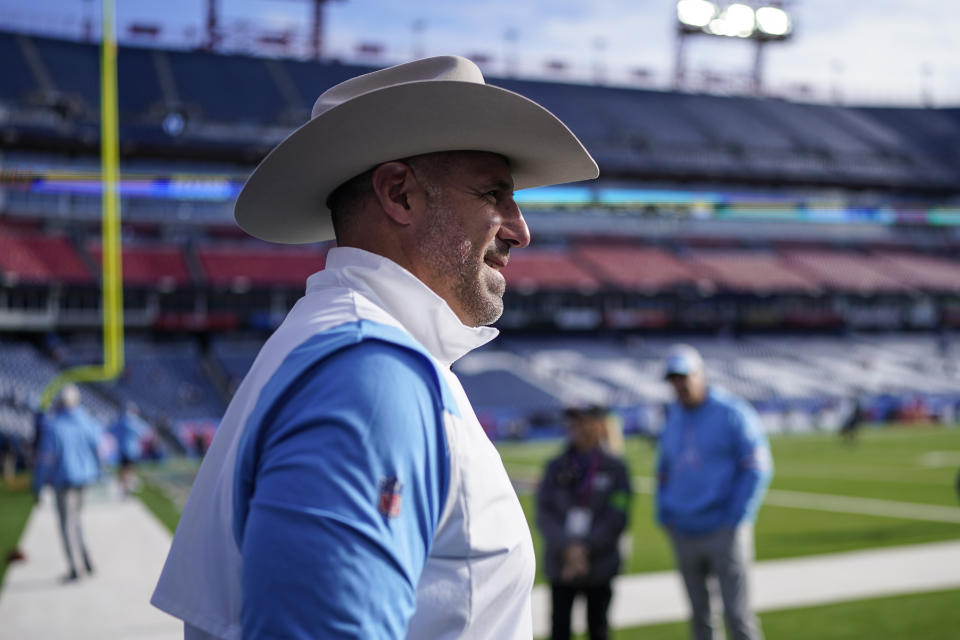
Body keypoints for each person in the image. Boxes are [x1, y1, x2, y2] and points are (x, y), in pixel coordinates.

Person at [152, 55, 598, 639]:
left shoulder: (347, 347)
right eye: (494, 194)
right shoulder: (370, 374)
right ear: (400, 194)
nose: (520, 228)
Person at [656, 345, 773, 640]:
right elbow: (664, 471)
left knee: (738, 616)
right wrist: (664, 512)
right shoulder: (674, 417)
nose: (679, 385)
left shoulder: (732, 412)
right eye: (674, 379)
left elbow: (758, 466)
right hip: (683, 530)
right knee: (700, 619)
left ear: (701, 374)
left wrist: (737, 516)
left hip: (723, 529)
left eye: (685, 376)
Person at [537, 405, 632, 640]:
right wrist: (568, 548)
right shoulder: (555, 466)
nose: (575, 427)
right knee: (559, 628)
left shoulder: (616, 468)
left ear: (599, 425)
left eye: (582, 421)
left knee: (598, 627)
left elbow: (617, 515)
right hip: (562, 563)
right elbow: (544, 513)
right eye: (572, 422)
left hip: (600, 562)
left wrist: (585, 548)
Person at [32, 384, 103, 582]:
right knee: (77, 521)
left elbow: (46, 460)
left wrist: (37, 487)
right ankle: (87, 562)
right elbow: (98, 449)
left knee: (66, 525)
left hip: (64, 481)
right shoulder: (87, 422)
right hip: (85, 479)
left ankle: (75, 568)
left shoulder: (54, 426)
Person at [108, 402, 151, 495]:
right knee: (128, 470)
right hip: (131, 451)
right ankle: (126, 488)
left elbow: (111, 430)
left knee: (124, 470)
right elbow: (145, 433)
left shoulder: (122, 421)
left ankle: (124, 487)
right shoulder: (133, 422)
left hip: (124, 450)